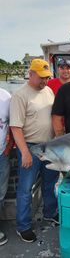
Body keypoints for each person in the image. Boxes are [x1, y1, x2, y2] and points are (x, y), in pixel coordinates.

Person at [10, 59, 59, 243]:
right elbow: (16, 127)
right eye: (41, 77)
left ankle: (49, 213)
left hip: (49, 147)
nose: (45, 81)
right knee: (25, 189)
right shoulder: (20, 95)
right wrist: (25, 152)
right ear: (31, 74)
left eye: (47, 77)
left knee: (49, 183)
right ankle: (23, 226)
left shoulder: (47, 91)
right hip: (30, 147)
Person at [0, 88, 13, 246]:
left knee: (1, 193)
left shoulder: (6, 96)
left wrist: (9, 146)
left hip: (2, 154)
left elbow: (13, 124)